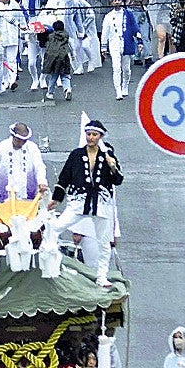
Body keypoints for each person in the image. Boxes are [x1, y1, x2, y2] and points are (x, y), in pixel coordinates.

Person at [48, 119, 123, 288]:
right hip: (79, 201)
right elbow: (65, 176)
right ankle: (52, 264)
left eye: (94, 134)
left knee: (104, 242)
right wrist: (56, 198)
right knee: (54, 228)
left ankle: (102, 276)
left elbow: (118, 180)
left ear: (100, 137)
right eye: (88, 134)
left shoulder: (107, 156)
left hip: (101, 202)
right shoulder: (76, 154)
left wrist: (112, 167)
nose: (91, 137)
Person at [0, 122, 48, 203]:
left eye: (24, 141)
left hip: (27, 196)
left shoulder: (32, 148)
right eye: (19, 140)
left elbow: (39, 166)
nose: (21, 143)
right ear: (13, 136)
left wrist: (42, 181)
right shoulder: (0, 148)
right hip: (3, 197)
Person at [101, 0, 144, 100]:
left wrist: (139, 41)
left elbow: (135, 27)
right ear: (111, 2)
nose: (117, 2)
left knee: (126, 69)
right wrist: (103, 47)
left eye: (119, 0)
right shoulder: (108, 16)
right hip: (114, 42)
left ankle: (125, 86)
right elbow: (105, 32)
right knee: (116, 68)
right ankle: (118, 91)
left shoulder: (128, 14)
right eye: (114, 0)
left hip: (127, 43)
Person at [43, 19, 73, 101]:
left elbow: (46, 46)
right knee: (65, 76)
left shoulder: (51, 36)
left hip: (54, 59)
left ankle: (50, 93)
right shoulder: (66, 35)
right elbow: (70, 46)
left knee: (54, 76)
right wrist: (73, 55)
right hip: (64, 57)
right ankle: (67, 89)